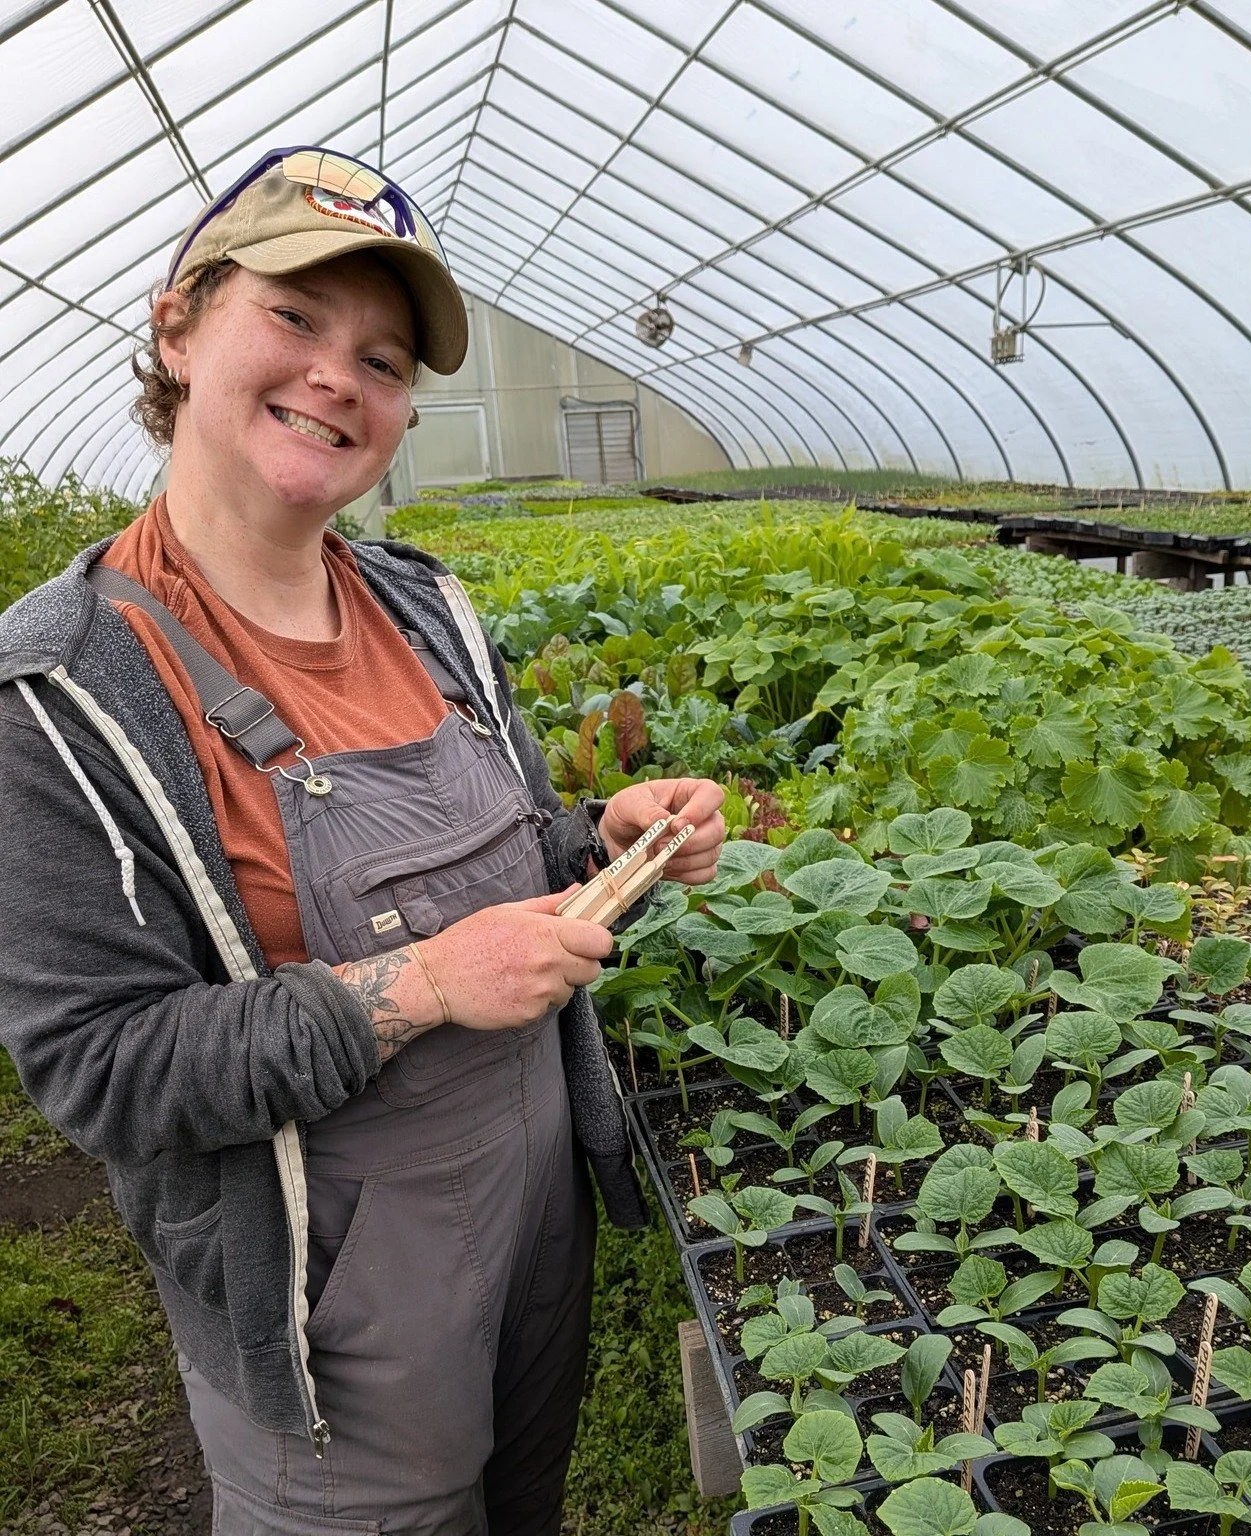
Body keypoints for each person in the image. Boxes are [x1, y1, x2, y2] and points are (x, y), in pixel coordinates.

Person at [0, 146, 725, 1535]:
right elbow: (102, 1069)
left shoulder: (426, 608)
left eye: (383, 361)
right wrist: (422, 987)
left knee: (520, 1501)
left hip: (533, 1215)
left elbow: (511, 865)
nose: (340, 377)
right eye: (294, 317)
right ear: (178, 329)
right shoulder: (64, 692)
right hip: (326, 1287)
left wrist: (608, 846)